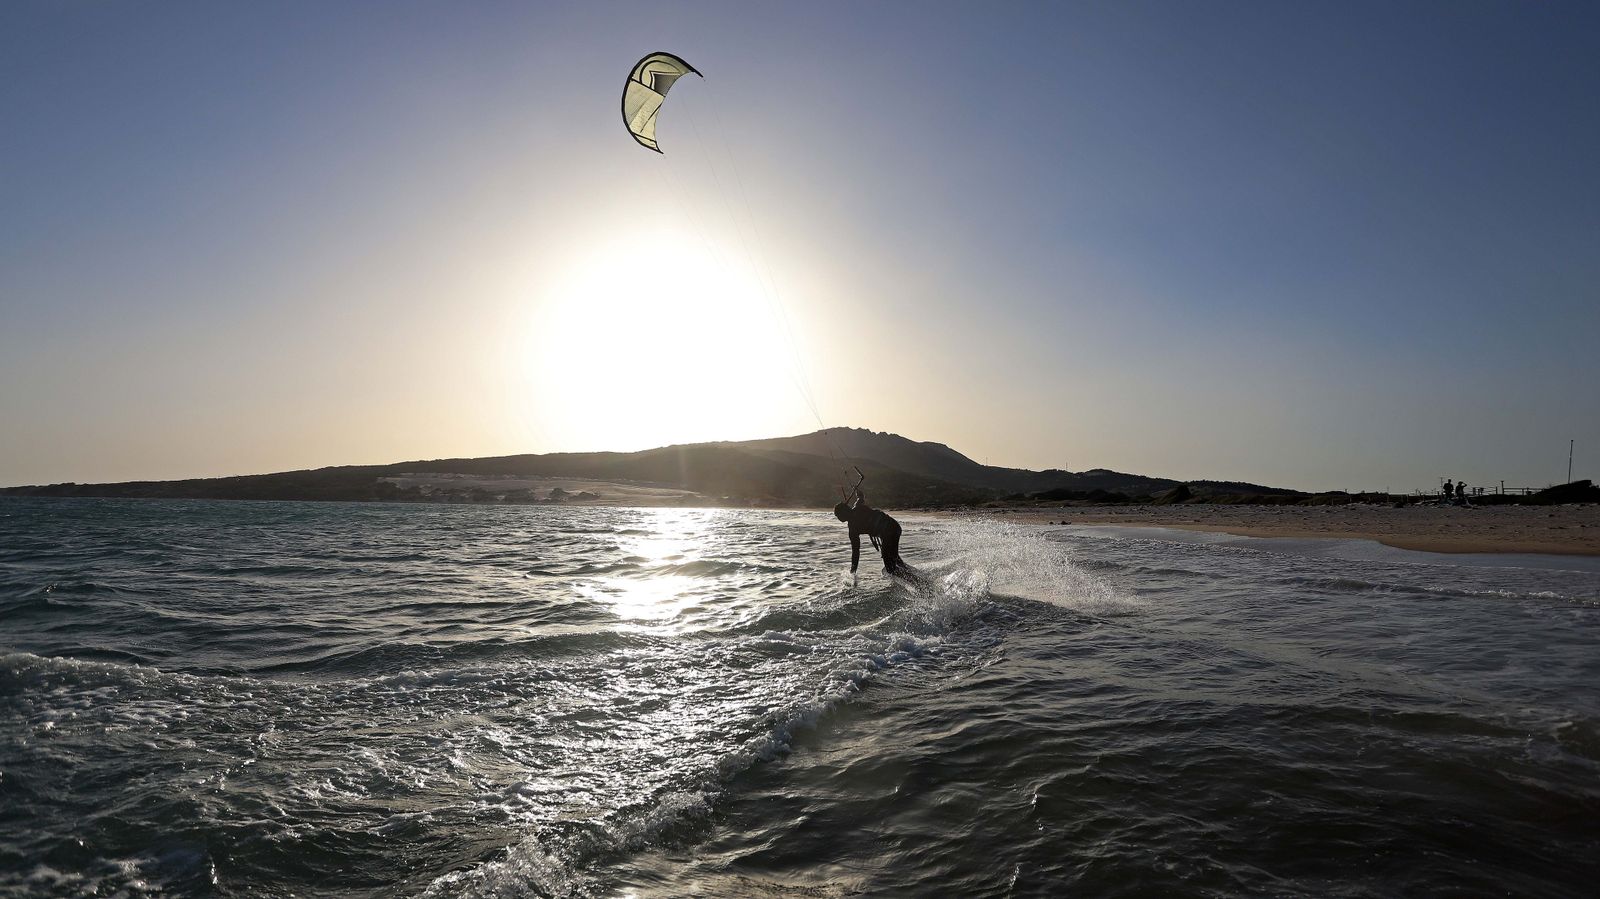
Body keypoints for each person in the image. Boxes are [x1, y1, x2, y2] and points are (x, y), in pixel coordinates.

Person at [834, 486, 910, 578]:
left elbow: (855, 552)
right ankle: (909, 573)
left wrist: (853, 571)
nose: (838, 518)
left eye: (838, 516)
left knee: (890, 567)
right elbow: (861, 497)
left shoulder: (853, 528)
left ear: (844, 513)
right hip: (894, 527)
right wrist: (857, 492)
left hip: (889, 531)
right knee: (893, 558)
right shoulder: (858, 506)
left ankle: (917, 582)